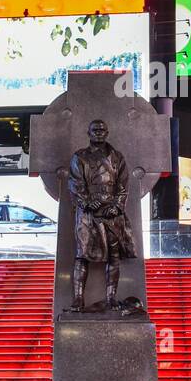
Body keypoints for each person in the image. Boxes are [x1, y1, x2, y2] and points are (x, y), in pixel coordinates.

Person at [67, 119, 136, 311]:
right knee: (82, 254)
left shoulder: (117, 157)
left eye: (102, 130)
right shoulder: (79, 157)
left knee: (114, 256)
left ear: (107, 133)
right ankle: (78, 299)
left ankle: (111, 297)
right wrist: (86, 201)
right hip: (87, 213)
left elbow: (123, 185)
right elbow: (74, 183)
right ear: (88, 133)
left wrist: (117, 205)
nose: (99, 133)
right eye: (95, 130)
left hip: (111, 213)